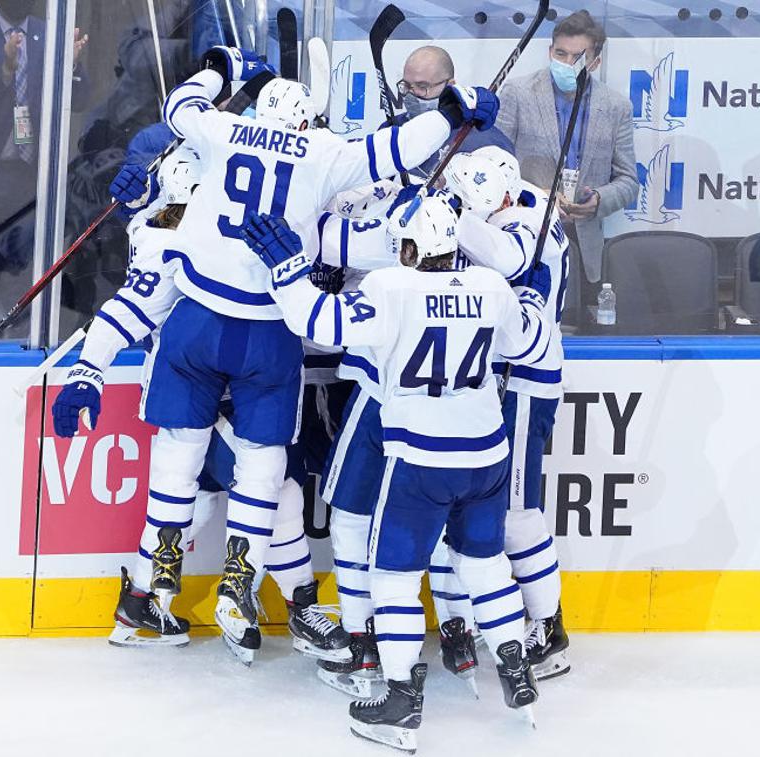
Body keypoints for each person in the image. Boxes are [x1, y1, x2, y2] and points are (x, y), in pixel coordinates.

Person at [139, 46, 500, 663]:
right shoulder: (324, 153)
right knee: (265, 465)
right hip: (269, 327)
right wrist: (448, 112)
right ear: (306, 121)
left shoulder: (222, 130)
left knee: (180, 447)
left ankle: (161, 563)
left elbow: (179, 106)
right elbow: (391, 154)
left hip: (194, 316)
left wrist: (223, 68)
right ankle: (240, 578)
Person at [240, 197, 549, 751]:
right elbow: (523, 342)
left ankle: (402, 700)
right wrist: (531, 297)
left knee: (395, 578)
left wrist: (288, 271)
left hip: (422, 461)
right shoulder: (492, 286)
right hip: (486, 455)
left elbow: (318, 321)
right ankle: (514, 666)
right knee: (483, 564)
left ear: (407, 248)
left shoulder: (390, 288)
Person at [49, 147, 349, 661]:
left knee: (199, 489)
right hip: (221, 383)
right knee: (276, 490)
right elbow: (134, 305)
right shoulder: (181, 235)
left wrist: (88, 369)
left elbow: (128, 307)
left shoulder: (173, 227)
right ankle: (288, 603)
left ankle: (144, 597)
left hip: (194, 380)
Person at [430, 146, 573, 685]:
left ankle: (548, 626)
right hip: (491, 383)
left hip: (523, 381)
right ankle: (461, 624)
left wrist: (454, 214)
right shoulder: (516, 197)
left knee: (515, 512)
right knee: (463, 511)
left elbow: (510, 259)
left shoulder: (522, 221)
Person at [0, 0, 89, 337]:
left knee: (28, 269)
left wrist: (69, 67)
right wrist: (6, 71)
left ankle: (22, 342)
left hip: (35, 175)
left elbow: (80, 99)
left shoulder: (49, 33)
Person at [496, 9, 638, 295]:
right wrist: (538, 198)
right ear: (550, 51)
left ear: (595, 62)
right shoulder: (517, 93)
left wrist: (598, 200)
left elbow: (628, 182)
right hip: (526, 237)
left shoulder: (616, 107)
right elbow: (494, 164)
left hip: (583, 244)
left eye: (578, 57)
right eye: (561, 54)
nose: (567, 63)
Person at [386, 45, 515, 179]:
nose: (412, 94)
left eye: (422, 86)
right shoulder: (391, 129)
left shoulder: (488, 142)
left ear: (450, 85)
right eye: (406, 86)